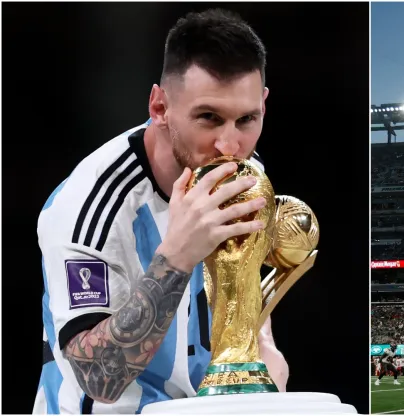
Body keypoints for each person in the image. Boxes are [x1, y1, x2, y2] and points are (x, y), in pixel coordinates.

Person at [34, 9, 288, 414]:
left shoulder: (248, 172)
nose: (230, 145)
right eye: (209, 117)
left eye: (247, 119)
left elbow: (243, 293)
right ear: (159, 107)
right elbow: (98, 378)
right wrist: (177, 257)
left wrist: (264, 353)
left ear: (264, 105)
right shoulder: (87, 205)